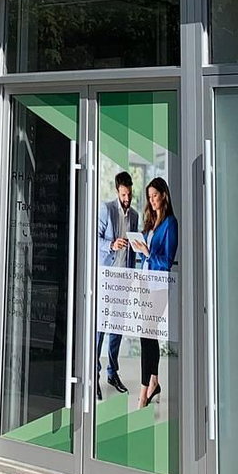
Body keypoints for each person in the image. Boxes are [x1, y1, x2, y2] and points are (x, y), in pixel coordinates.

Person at [96, 170, 139, 397]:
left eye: (129, 194)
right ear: (117, 191)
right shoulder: (106, 209)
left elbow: (134, 247)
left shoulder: (135, 215)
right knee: (101, 327)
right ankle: (94, 374)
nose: (127, 199)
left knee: (117, 328)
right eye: (123, 195)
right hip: (107, 278)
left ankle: (112, 373)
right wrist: (111, 245)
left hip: (124, 278)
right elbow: (94, 239)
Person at [137, 178, 178, 409]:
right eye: (149, 197)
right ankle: (154, 382)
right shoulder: (151, 222)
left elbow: (167, 261)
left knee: (147, 335)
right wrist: (139, 247)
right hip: (145, 283)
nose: (151, 200)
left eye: (155, 196)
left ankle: (144, 393)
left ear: (164, 195)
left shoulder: (170, 223)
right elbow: (146, 256)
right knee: (148, 336)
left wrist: (148, 253)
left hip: (159, 286)